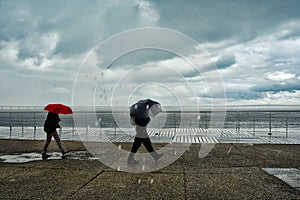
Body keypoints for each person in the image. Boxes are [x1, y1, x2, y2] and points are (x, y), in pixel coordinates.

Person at [127, 99, 164, 165]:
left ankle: (155, 156)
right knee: (138, 145)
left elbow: (136, 122)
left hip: (141, 130)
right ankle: (130, 159)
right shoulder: (143, 113)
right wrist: (148, 119)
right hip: (141, 130)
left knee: (145, 144)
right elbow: (145, 121)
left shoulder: (138, 112)